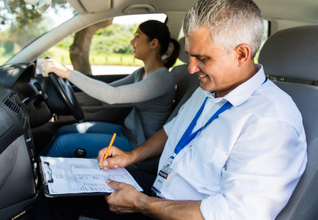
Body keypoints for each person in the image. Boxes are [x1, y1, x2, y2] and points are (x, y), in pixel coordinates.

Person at [30, 0, 307, 219]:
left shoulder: (272, 120)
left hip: (172, 210)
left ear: (242, 54)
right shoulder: (208, 89)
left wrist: (141, 204)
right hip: (157, 193)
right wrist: (131, 156)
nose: (191, 68)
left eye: (203, 58)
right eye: (190, 55)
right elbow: (171, 130)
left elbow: (233, 213)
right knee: (56, 190)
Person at [40, 20, 180, 158]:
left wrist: (67, 73)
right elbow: (107, 89)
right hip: (124, 131)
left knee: (63, 144)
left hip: (138, 145)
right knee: (62, 131)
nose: (132, 41)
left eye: (137, 36)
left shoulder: (161, 79)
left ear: (153, 43)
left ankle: (39, 178)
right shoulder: (140, 73)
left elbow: (112, 96)